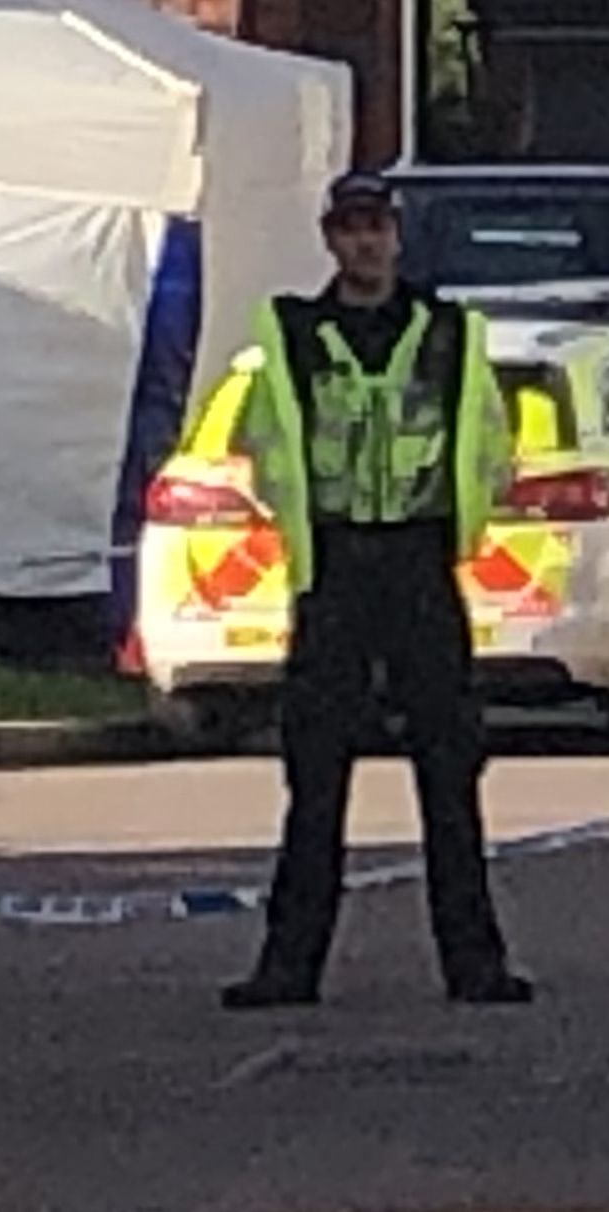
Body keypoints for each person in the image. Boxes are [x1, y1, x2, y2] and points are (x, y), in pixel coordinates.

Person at [223, 170, 535, 1011]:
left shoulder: (447, 333)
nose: (365, 242)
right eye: (350, 228)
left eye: (377, 227)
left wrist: (465, 523)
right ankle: (289, 968)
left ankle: (475, 965)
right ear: (330, 238)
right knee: (316, 778)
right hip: (332, 568)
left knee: (450, 770)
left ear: (396, 236)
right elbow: (263, 443)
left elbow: (491, 446)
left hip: (422, 565)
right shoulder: (293, 334)